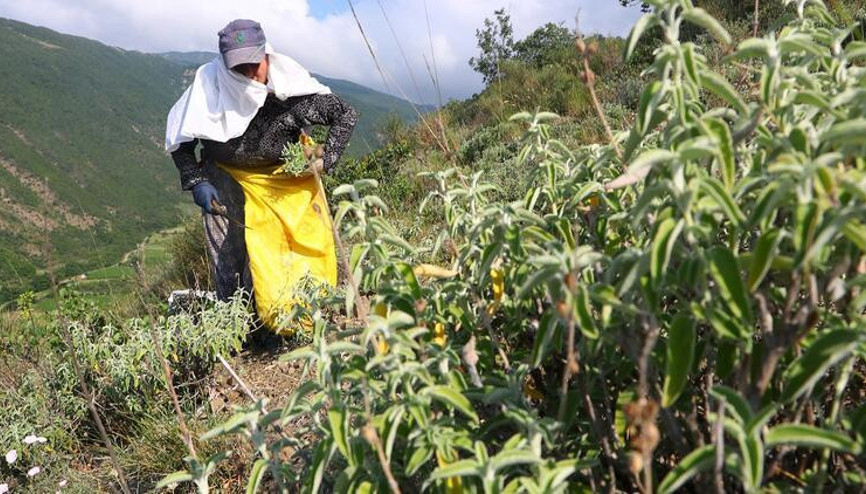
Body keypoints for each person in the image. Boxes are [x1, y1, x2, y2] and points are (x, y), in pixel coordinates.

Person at [165, 19, 357, 328]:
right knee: (229, 254)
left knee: (291, 250)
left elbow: (344, 114)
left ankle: (294, 319)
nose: (251, 74)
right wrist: (196, 180)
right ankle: (237, 326)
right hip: (226, 178)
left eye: (255, 64)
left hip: (284, 180)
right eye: (239, 68)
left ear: (266, 55)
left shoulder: (291, 92)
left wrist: (326, 160)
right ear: (225, 66)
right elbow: (180, 140)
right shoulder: (209, 87)